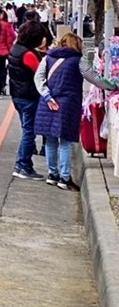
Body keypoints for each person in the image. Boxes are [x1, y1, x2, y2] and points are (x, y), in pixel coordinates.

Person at [35, 30, 115, 190]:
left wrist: (47, 96)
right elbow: (94, 78)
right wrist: (112, 86)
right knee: (65, 141)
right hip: (67, 104)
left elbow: (38, 78)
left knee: (50, 140)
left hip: (48, 102)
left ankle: (53, 174)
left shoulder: (48, 57)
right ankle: (64, 178)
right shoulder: (78, 61)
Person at [7, 24, 47, 179]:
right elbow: (39, 74)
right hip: (28, 96)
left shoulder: (15, 49)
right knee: (29, 132)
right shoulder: (28, 55)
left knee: (26, 129)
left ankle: (22, 164)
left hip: (18, 95)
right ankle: (23, 165)